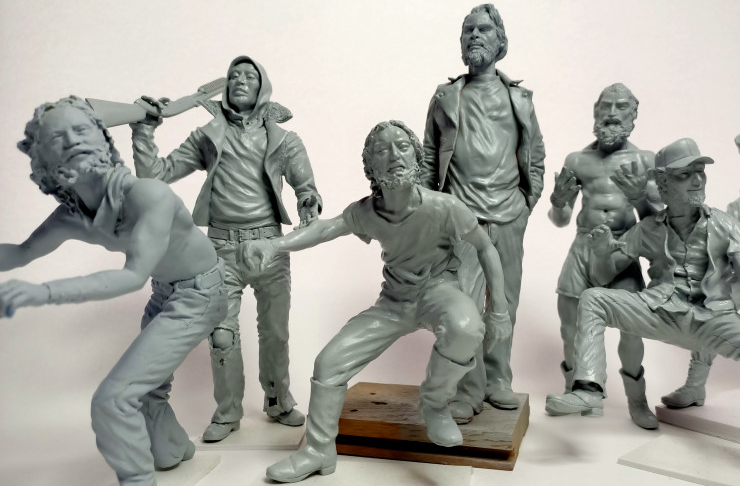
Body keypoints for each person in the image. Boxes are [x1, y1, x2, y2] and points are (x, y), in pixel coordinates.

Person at [249, 121, 510, 482]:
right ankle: (318, 451)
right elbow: (324, 229)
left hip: (440, 291)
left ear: (417, 157)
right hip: (394, 302)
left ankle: (435, 403)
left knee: (466, 327)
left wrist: (499, 310)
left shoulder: (444, 206)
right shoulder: (367, 212)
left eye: (402, 146)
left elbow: (485, 248)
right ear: (370, 167)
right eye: (382, 150)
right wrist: (273, 245)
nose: (394, 155)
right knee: (328, 363)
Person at [0, 96, 227, 486]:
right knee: (148, 389)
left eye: (82, 129)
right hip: (165, 291)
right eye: (57, 137)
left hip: (201, 293)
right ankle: (173, 449)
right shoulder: (71, 216)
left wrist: (44, 292)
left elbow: (132, 276)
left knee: (114, 399)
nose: (72, 140)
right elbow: (21, 252)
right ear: (42, 158)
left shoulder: (149, 195)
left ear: (104, 139)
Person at [131, 55, 322, 441]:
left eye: (249, 75)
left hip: (270, 247)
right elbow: (156, 173)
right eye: (234, 75)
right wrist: (143, 132)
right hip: (219, 249)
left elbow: (307, 187)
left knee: (275, 332)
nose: (240, 80)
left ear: (263, 86)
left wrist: (309, 203)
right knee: (221, 335)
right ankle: (228, 410)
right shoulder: (207, 136)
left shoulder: (284, 140)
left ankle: (278, 400)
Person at [545, 138, 740, 420]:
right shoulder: (648, 229)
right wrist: (602, 252)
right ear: (663, 184)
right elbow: (603, 276)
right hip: (660, 313)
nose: (697, 180)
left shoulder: (725, 225)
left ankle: (691, 387)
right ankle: (589, 389)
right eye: (685, 174)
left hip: (711, 321)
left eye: (700, 172)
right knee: (593, 299)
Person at [422, 3, 545, 419]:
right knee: (466, 307)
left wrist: (527, 204)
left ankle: (498, 381)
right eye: (468, 30)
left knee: (504, 303)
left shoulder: (519, 98)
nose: (475, 35)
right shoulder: (445, 97)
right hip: (460, 218)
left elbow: (535, 156)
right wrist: (433, 211)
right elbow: (428, 157)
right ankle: (467, 390)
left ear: (500, 41)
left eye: (484, 29)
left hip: (509, 215)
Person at [549, 83, 665, 428]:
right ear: (595, 111)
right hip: (583, 246)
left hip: (622, 248)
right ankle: (576, 390)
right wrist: (557, 202)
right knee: (569, 322)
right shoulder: (577, 160)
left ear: (634, 114)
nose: (612, 114)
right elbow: (560, 220)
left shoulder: (645, 161)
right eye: (606, 106)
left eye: (621, 107)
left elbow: (655, 222)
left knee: (631, 328)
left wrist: (639, 196)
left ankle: (637, 400)